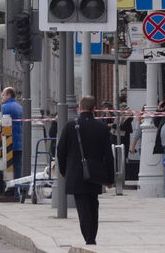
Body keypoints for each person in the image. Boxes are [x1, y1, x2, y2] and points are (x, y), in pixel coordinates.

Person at [56, 95, 114, 246]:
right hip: (95, 173)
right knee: (93, 204)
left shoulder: (70, 126)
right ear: (94, 109)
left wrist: (63, 170)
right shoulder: (101, 128)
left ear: (79, 108)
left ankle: (89, 237)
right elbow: (108, 155)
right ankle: (92, 236)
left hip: (76, 174)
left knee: (82, 207)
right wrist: (110, 178)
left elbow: (60, 150)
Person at [1, 87, 24, 183]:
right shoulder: (20, 107)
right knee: (18, 167)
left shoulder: (4, 107)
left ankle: (8, 188)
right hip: (18, 143)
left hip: (8, 143)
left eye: (3, 95)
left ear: (9, 95)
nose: (1, 97)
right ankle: (17, 191)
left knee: (6, 167)